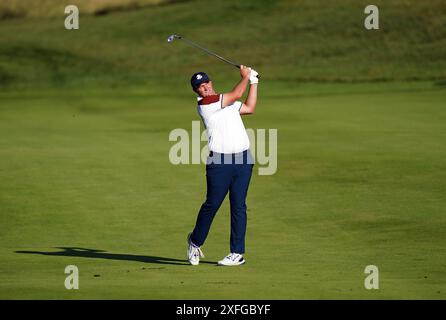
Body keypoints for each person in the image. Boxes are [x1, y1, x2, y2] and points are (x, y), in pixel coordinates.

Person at [187, 65, 259, 266]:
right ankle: (195, 241)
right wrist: (245, 76)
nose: (204, 88)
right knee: (212, 204)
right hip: (220, 162)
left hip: (243, 160)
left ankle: (237, 253)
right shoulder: (206, 104)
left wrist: (254, 81)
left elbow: (250, 107)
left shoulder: (226, 102)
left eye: (206, 83)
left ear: (211, 82)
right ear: (197, 92)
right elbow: (237, 93)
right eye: (199, 87)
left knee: (239, 206)